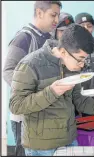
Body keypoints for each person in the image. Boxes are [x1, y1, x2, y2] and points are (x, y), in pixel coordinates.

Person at [9, 24, 94, 156]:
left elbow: (78, 99)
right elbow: (16, 106)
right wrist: (52, 92)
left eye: (85, 59)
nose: (82, 64)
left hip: (69, 141)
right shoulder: (30, 65)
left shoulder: (71, 66)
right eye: (80, 59)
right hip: (41, 148)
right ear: (63, 52)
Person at [3, 1, 62, 156]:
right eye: (53, 15)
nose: (56, 20)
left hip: (44, 113)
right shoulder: (23, 38)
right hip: (25, 115)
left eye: (58, 15)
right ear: (39, 13)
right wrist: (31, 93)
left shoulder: (50, 40)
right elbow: (8, 70)